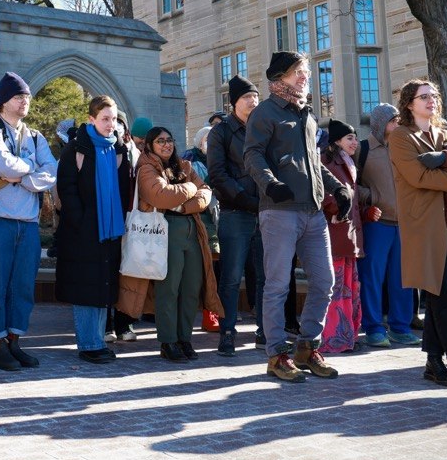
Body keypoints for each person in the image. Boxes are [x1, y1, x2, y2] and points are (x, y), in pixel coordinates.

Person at [244, 51, 348, 382]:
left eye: (304, 70)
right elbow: (253, 155)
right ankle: (276, 354)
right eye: (297, 72)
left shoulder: (306, 114)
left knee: (324, 281)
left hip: (312, 212)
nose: (304, 76)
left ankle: (306, 348)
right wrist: (270, 183)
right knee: (276, 285)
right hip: (279, 212)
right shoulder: (265, 113)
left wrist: (338, 188)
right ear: (279, 79)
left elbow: (312, 163)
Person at [389, 78, 447, 391]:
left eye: (434, 96)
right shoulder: (401, 136)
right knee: (445, 299)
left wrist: (446, 159)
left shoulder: (444, 134)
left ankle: (433, 362)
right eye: (423, 97)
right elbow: (417, 176)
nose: (431, 101)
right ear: (409, 103)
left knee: (436, 297)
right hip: (425, 230)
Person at [0, 72, 58, 371]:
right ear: (4, 101)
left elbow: (51, 172)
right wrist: (31, 171)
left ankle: (14, 341)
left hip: (28, 223)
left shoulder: (35, 136)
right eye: (19, 97)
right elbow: (1, 163)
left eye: (27, 97)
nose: (25, 102)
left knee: (22, 286)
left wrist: (21, 177)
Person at [55, 96, 134, 364]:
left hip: (110, 230)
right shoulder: (76, 149)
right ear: (91, 119)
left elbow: (125, 191)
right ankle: (88, 344)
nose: (111, 124)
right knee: (85, 287)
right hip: (83, 232)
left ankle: (98, 340)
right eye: (105, 119)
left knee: (104, 286)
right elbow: (67, 189)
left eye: (113, 119)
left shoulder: (120, 149)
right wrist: (82, 221)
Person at [137, 126, 221, 362]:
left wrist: (184, 204)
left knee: (191, 289)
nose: (166, 144)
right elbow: (160, 196)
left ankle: (185, 338)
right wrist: (190, 188)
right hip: (165, 232)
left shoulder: (185, 166)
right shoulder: (146, 167)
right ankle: (168, 341)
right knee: (169, 289)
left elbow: (205, 194)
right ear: (151, 145)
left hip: (192, 230)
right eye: (160, 141)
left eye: (169, 140)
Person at [206, 74, 266, 356]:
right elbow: (218, 174)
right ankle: (227, 332)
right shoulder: (221, 132)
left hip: (267, 212)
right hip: (235, 213)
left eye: (255, 97)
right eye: (246, 98)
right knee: (231, 277)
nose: (253, 102)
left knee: (266, 276)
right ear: (233, 103)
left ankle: (267, 332)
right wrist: (245, 199)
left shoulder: (265, 127)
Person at [355, 104, 419, 348]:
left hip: (404, 224)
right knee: (372, 278)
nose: (398, 125)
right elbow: (350, 183)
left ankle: (400, 327)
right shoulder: (362, 149)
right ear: (381, 123)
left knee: (402, 279)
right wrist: (370, 196)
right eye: (393, 121)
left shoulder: (404, 147)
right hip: (377, 224)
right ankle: (373, 328)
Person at [319, 120, 364, 354]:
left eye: (355, 137)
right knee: (336, 286)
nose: (354, 142)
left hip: (349, 233)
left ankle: (348, 335)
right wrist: (335, 209)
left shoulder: (349, 162)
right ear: (336, 141)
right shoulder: (327, 162)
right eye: (349, 138)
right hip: (335, 230)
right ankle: (333, 337)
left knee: (349, 284)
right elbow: (323, 192)